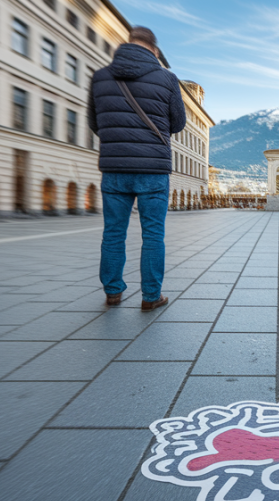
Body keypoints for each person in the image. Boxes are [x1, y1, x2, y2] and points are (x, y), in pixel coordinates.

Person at [88, 26, 185, 311]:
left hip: (114, 167)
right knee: (153, 234)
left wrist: (119, 140)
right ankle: (151, 296)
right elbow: (178, 123)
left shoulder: (100, 77)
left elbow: (95, 122)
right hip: (153, 168)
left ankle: (113, 292)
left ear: (128, 44)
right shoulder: (167, 78)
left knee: (113, 232)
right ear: (154, 50)